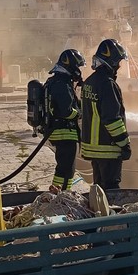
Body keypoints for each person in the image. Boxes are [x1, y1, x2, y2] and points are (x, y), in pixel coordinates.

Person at [80, 38, 131, 190]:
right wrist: (124, 144)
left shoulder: (89, 82)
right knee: (111, 189)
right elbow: (112, 120)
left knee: (98, 189)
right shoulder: (108, 84)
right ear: (113, 61)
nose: (119, 66)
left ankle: (99, 213)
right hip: (108, 149)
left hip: (93, 150)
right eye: (118, 61)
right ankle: (112, 214)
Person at [45, 49, 85, 190]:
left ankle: (60, 192)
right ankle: (62, 194)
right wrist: (79, 114)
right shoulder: (62, 84)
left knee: (64, 168)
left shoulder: (55, 81)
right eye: (78, 67)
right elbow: (66, 111)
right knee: (67, 169)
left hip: (59, 131)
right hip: (65, 132)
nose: (79, 71)